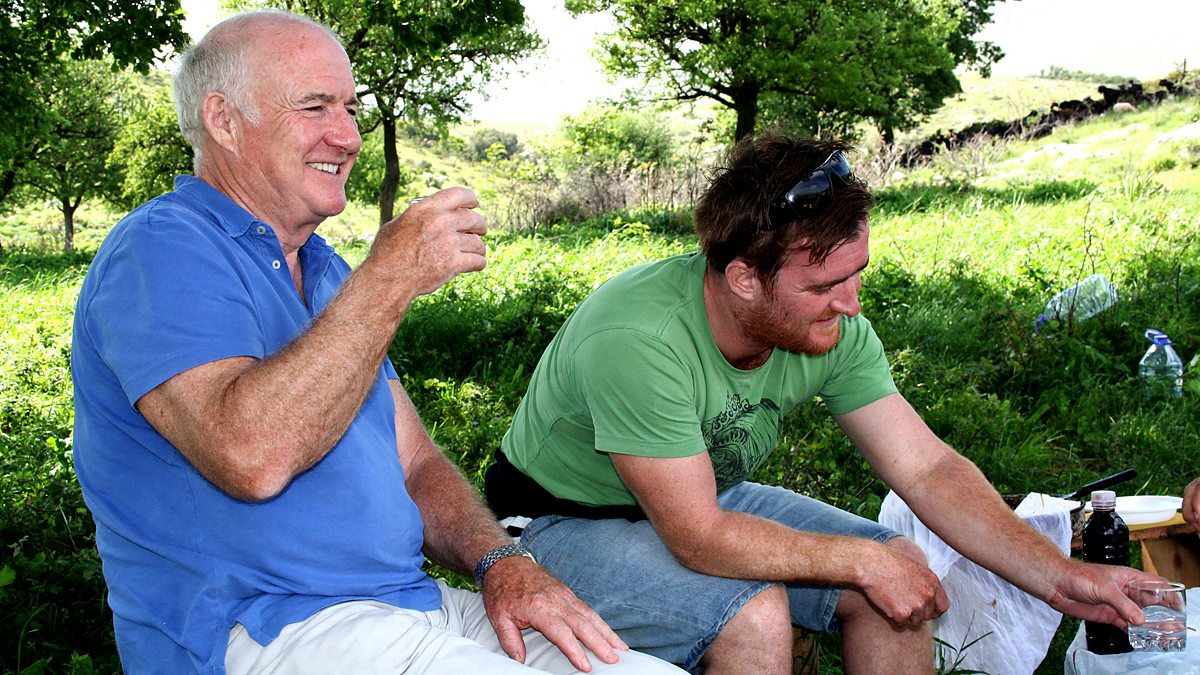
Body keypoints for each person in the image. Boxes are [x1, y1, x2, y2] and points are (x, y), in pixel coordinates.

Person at [70, 10, 683, 675]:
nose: (349, 136)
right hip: (266, 626)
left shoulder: (326, 269)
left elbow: (415, 461)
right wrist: (388, 278)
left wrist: (501, 560)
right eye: (315, 106)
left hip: (410, 604)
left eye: (352, 109)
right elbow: (250, 457)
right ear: (223, 119)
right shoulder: (161, 248)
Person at [485, 131, 1162, 673]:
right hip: (554, 520)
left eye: (856, 275)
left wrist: (1061, 577)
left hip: (697, 494)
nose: (851, 304)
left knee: (901, 575)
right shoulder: (638, 338)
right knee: (753, 614)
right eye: (823, 287)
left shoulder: (829, 328)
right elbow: (698, 536)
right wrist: (859, 559)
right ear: (743, 279)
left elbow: (926, 468)